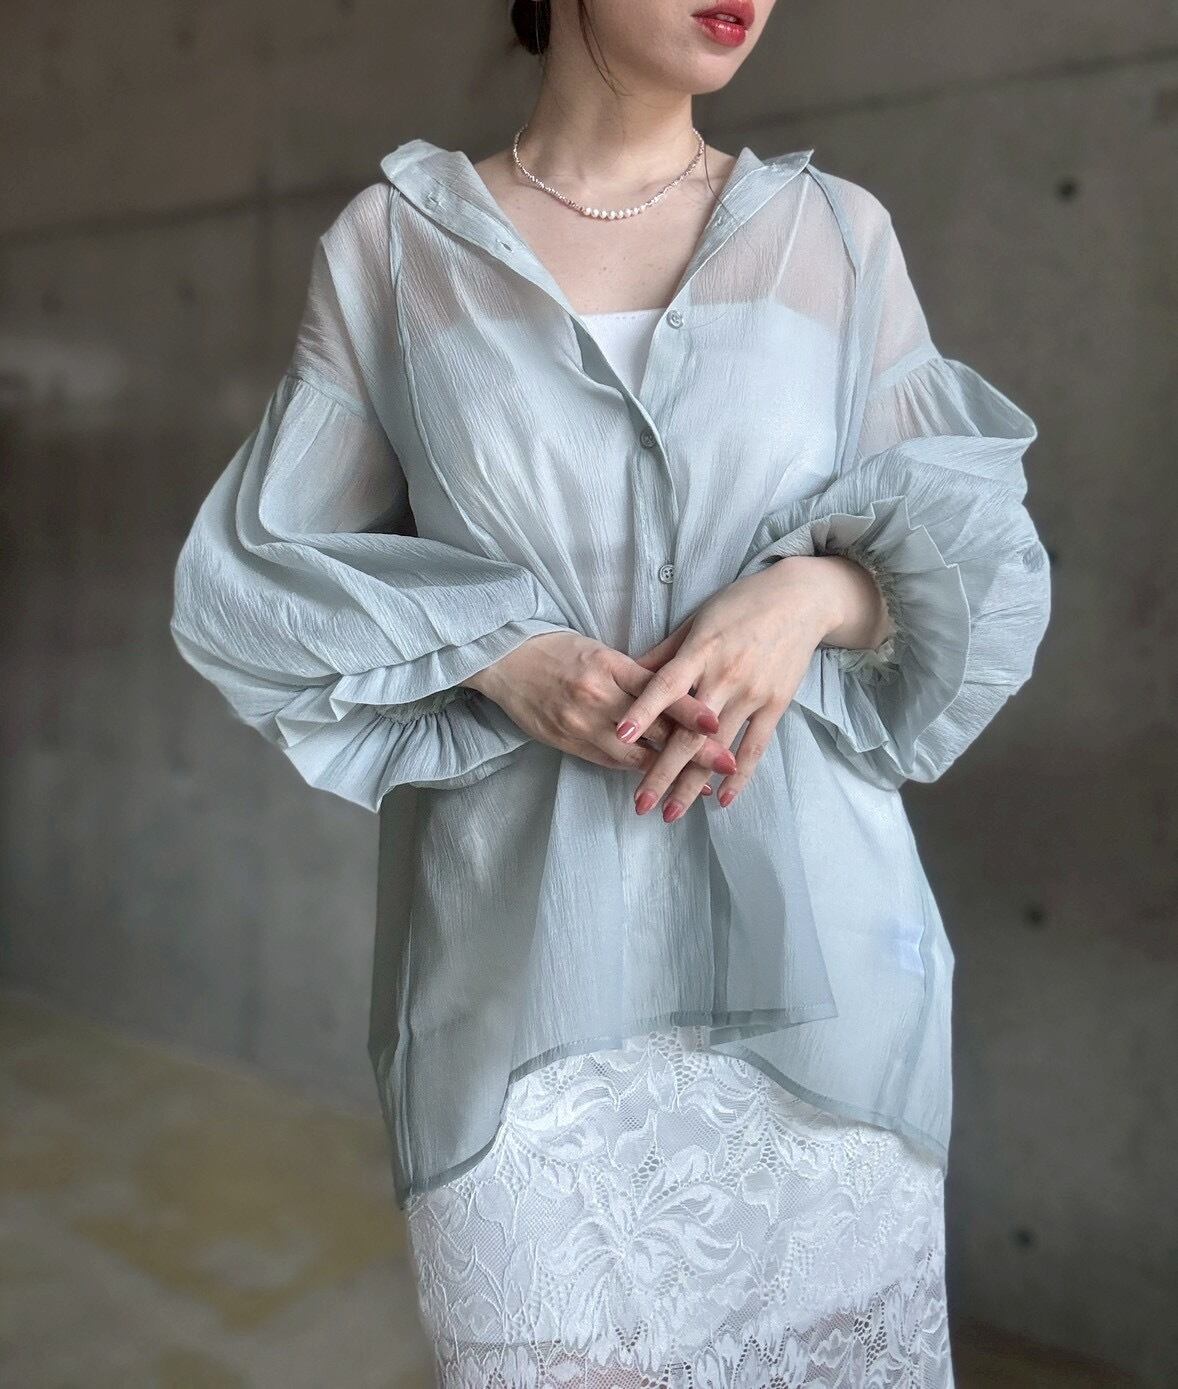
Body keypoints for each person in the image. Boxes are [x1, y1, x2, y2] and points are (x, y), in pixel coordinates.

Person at [169, 0, 1052, 1382]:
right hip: (522, 987)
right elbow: (262, 581)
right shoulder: (394, 250)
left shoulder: (835, 237)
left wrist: (811, 597)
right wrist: (497, 655)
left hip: (823, 975)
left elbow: (977, 559)